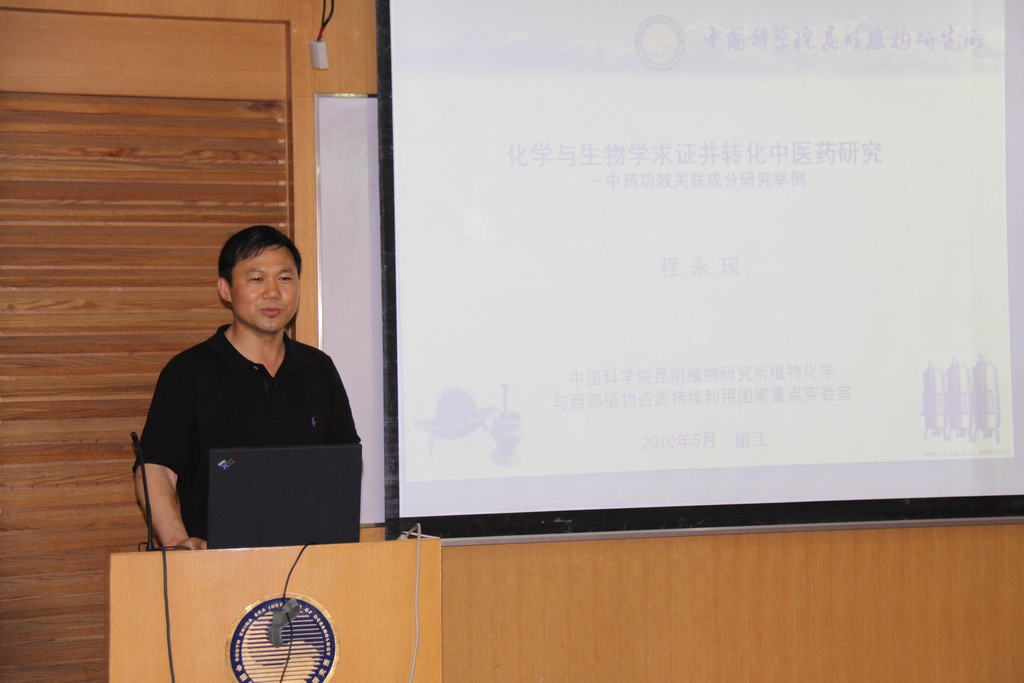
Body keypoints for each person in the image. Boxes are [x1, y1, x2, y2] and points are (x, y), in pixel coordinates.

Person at [134, 225, 360, 549]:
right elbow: (156, 469)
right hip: (218, 562)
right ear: (225, 289)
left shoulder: (318, 369)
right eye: (256, 279)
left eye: (285, 278)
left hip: (310, 560)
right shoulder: (188, 372)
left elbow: (345, 462)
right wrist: (177, 542)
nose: (273, 293)